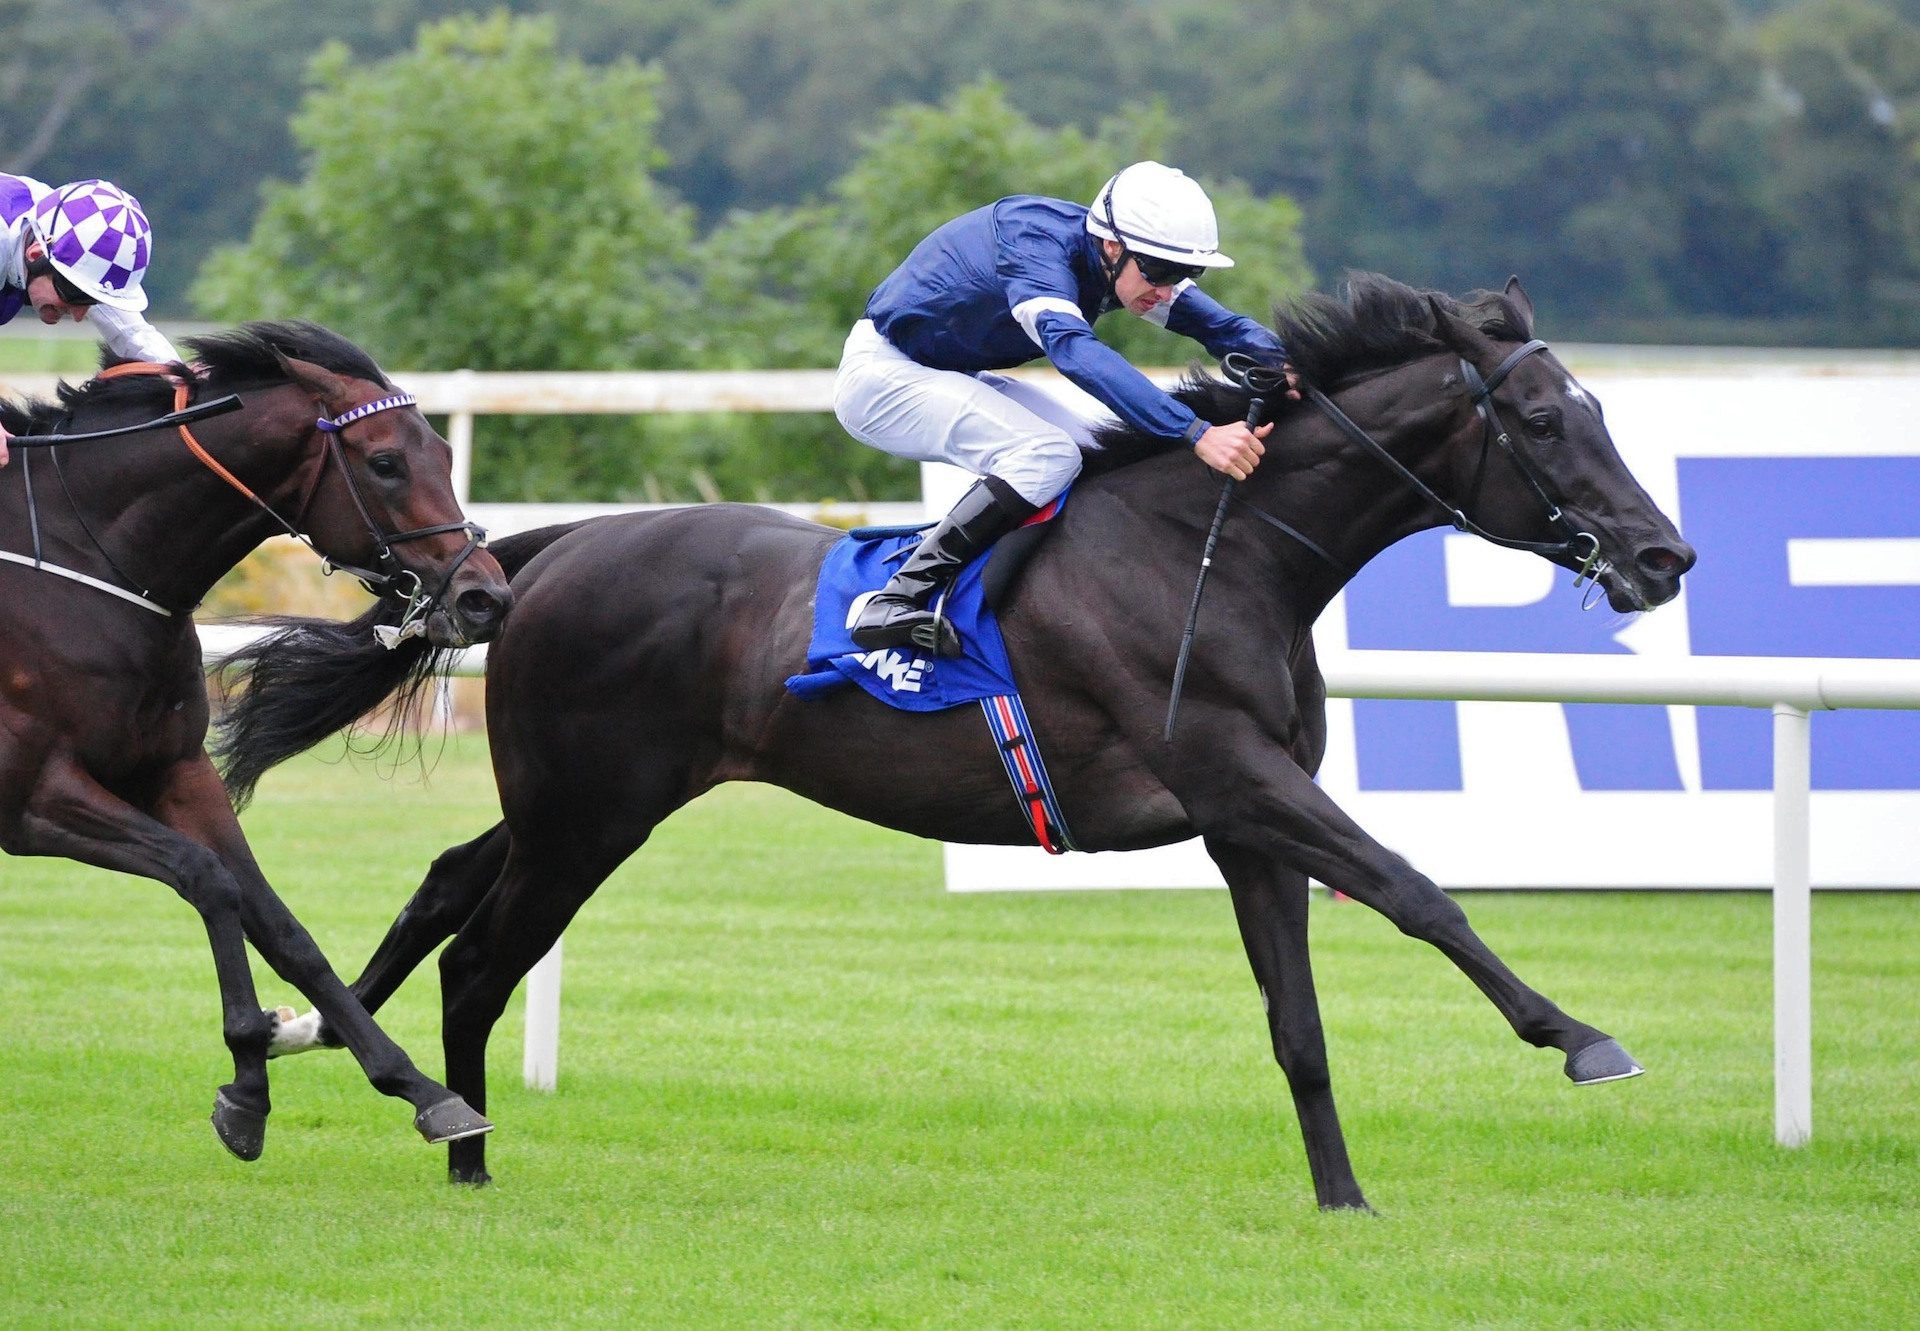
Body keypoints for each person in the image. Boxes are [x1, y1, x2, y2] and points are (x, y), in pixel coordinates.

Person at [832, 160, 1298, 657]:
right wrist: (1196, 432)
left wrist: (1293, 365)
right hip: (883, 378)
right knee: (1048, 455)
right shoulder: (1034, 246)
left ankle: (1029, 605)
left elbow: (1222, 329)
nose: (1168, 289)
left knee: (1097, 453)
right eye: (1161, 272)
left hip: (946, 371)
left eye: (1186, 273)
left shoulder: (1125, 262)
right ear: (1113, 248)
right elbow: (1074, 352)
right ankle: (894, 599)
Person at [1, 174, 178, 468]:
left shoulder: (61, 230)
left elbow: (133, 333)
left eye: (92, 300)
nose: (80, 315)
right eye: (76, 294)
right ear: (35, 255)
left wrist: (183, 375)